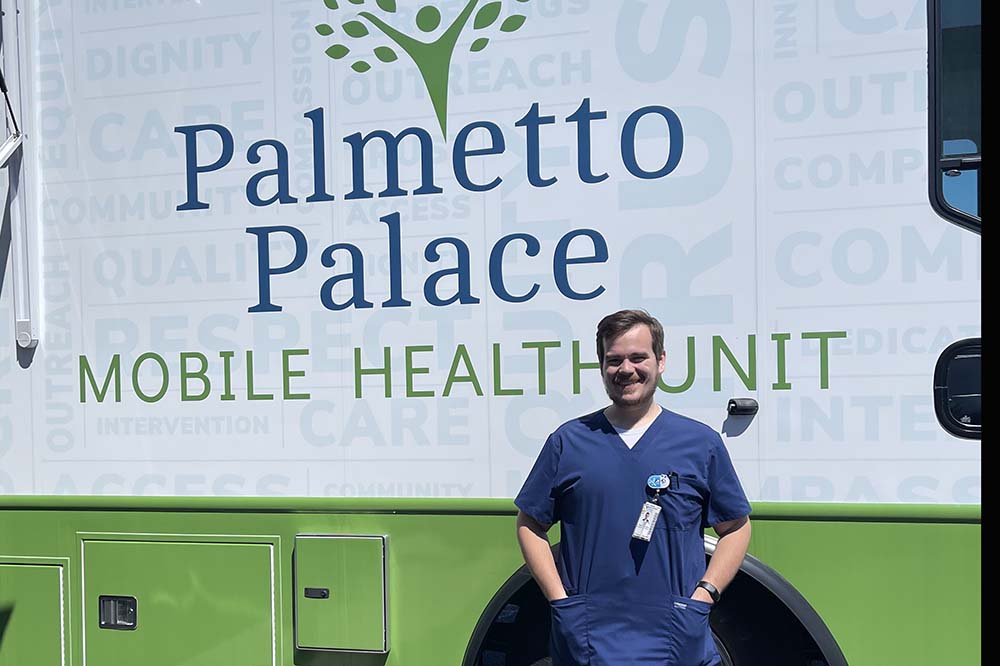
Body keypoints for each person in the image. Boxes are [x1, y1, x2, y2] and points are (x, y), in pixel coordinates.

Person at [515, 309, 752, 665]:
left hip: (675, 638)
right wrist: (559, 600)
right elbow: (529, 524)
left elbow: (736, 527)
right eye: (614, 360)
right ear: (602, 366)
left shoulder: (699, 443)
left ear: (661, 360)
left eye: (638, 357)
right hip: (588, 641)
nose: (626, 369)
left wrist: (705, 595)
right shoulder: (568, 442)